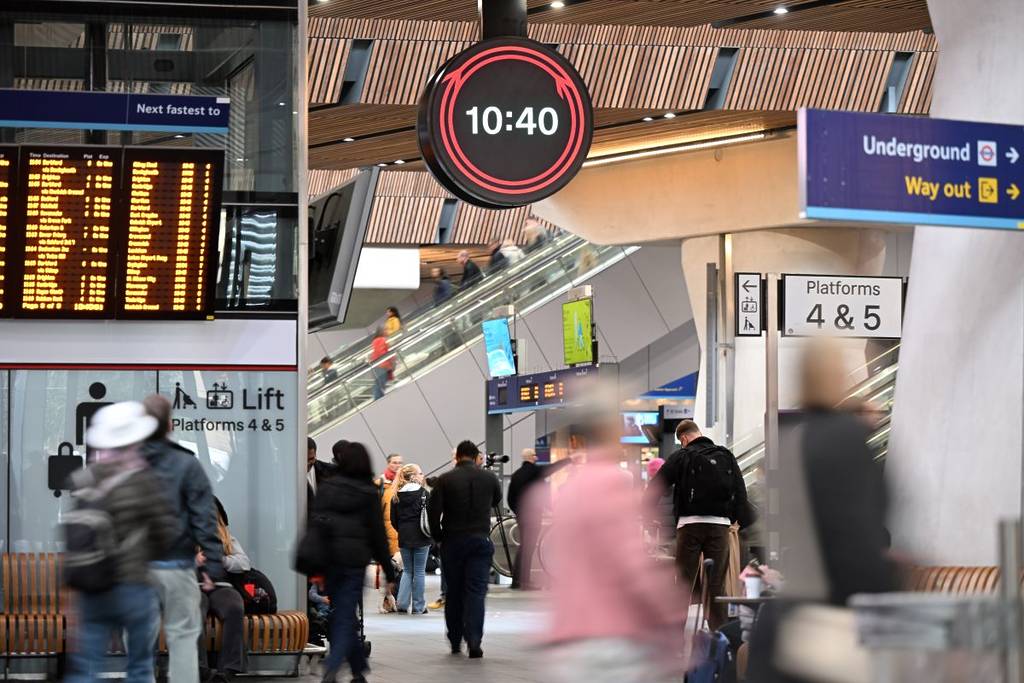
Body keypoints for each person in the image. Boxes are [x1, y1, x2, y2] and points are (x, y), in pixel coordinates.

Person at [538, 421, 688, 683]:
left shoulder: (568, 488)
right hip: (611, 633)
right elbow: (630, 562)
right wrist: (668, 614)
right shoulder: (615, 482)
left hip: (570, 633)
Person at [65, 402, 176, 683]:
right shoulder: (144, 480)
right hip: (133, 586)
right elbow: (166, 532)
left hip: (91, 586)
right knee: (139, 667)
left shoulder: (83, 479)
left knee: (85, 667)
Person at [142, 394, 224, 683]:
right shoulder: (188, 465)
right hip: (178, 567)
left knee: (139, 645)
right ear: (170, 425)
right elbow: (205, 519)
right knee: (183, 641)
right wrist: (212, 567)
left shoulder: (125, 463)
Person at [647, 419, 749, 631]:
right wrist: (738, 521)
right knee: (716, 585)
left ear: (684, 438)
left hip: (690, 526)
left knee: (683, 583)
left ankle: (675, 638)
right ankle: (719, 635)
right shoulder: (726, 455)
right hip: (719, 526)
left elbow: (655, 486)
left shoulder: (681, 456)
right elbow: (741, 492)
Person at [313, 442, 397, 683]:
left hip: (329, 560)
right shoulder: (368, 492)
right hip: (354, 562)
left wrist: (316, 566)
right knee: (346, 613)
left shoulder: (327, 487)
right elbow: (377, 534)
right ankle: (333, 663)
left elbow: (316, 526)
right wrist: (389, 571)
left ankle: (358, 670)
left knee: (343, 611)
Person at [427, 440, 502, 658]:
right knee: (477, 592)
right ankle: (475, 640)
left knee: (455, 592)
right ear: (476, 456)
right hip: (480, 540)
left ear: (458, 457)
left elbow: (434, 512)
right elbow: (496, 499)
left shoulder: (445, 480)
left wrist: (438, 537)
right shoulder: (489, 478)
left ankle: (455, 640)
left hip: (453, 542)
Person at [506, 448, 574, 590]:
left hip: (521, 514)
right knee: (528, 547)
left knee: (524, 546)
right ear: (532, 457)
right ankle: (524, 582)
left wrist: (518, 511)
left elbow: (510, 498)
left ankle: (517, 580)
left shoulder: (516, 475)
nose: (536, 457)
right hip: (532, 515)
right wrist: (568, 460)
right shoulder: (534, 471)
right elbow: (551, 468)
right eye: (535, 455)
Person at [198, 498, 249, 682]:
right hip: (193, 586)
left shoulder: (227, 537)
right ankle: (199, 668)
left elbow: (244, 563)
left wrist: (223, 560)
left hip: (222, 586)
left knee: (235, 608)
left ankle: (228, 669)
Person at [389, 464, 431, 614]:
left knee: (407, 571)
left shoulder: (396, 495)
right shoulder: (424, 493)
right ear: (413, 476)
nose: (422, 475)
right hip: (421, 536)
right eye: (420, 473)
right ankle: (419, 606)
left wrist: (403, 530)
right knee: (419, 571)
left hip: (404, 537)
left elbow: (393, 520)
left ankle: (402, 604)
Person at [307, 437, 336, 507]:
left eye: (310, 459)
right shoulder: (286, 479)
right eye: (303, 459)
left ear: (315, 455)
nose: (307, 463)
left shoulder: (329, 470)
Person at [369, 326, 393, 400]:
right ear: (381, 332)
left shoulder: (376, 340)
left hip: (377, 365)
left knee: (379, 383)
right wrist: (388, 364)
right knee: (380, 384)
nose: (387, 331)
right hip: (381, 365)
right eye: (386, 329)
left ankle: (378, 398)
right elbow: (382, 353)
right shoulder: (381, 340)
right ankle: (378, 399)